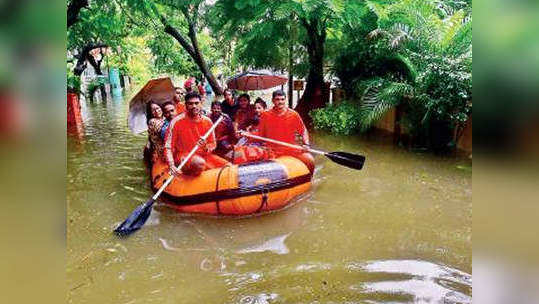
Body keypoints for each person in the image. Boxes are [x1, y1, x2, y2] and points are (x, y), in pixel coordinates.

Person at [164, 92, 229, 176]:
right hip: (183, 156)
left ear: (201, 104)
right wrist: (171, 164)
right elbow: (168, 146)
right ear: (185, 105)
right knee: (199, 163)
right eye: (190, 104)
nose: (194, 106)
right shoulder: (176, 121)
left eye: (196, 103)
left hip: (203, 155)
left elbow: (213, 144)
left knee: (228, 167)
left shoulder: (207, 121)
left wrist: (205, 146)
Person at [255, 89, 315, 173]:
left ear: (285, 100)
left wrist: (306, 144)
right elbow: (261, 135)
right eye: (277, 99)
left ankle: (309, 179)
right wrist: (260, 144)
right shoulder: (265, 115)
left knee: (310, 160)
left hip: (292, 149)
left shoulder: (293, 114)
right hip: (273, 151)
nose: (280, 102)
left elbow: (303, 130)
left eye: (282, 99)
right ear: (273, 101)